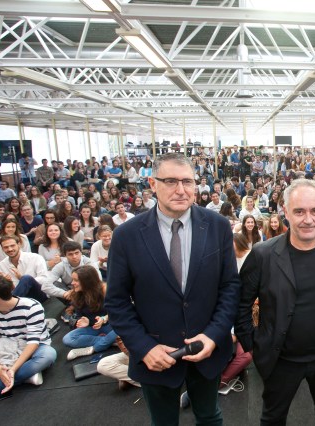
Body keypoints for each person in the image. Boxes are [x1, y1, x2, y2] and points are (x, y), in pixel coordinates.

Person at [105, 153, 241, 425]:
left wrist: (214, 335)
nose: (181, 190)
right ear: (152, 184)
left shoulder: (217, 226)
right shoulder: (127, 235)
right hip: (156, 355)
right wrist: (144, 348)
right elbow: (117, 302)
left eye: (187, 181)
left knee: (209, 416)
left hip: (207, 350)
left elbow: (230, 287)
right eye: (170, 181)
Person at [235, 178, 315, 425]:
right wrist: (253, 345)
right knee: (273, 417)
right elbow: (240, 303)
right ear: (285, 212)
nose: (308, 219)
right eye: (299, 211)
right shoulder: (263, 254)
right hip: (281, 360)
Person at [0, 275, 56, 394]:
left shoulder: (31, 306)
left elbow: (33, 343)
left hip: (35, 346)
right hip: (6, 347)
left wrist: (13, 370)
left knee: (48, 355)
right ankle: (26, 376)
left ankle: (8, 379)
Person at [62, 266, 117, 361]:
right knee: (67, 339)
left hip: (112, 326)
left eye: (76, 280)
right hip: (93, 328)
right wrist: (83, 321)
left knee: (124, 329)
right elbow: (78, 316)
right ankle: (109, 341)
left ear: (86, 281)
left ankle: (94, 348)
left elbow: (118, 312)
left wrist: (104, 319)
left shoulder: (104, 289)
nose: (72, 283)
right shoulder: (76, 294)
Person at [0, 235, 48, 303]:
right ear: (2, 249)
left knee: (26, 278)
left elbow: (44, 279)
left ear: (19, 244)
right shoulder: (1, 265)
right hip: (18, 298)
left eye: (12, 245)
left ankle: (8, 304)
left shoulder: (35, 257)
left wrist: (21, 279)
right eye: (6, 247)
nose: (10, 249)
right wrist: (8, 283)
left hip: (38, 295)